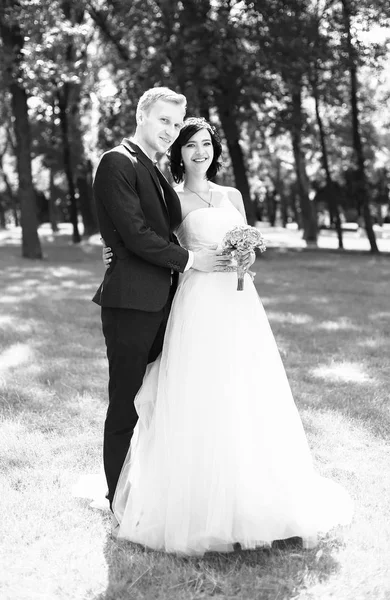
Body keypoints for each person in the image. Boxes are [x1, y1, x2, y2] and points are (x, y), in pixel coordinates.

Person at [101, 117, 353, 555]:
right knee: (201, 390)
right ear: (178, 152)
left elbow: (248, 242)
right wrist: (113, 251)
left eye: (207, 144)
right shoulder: (170, 200)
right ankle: (192, 496)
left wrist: (246, 250)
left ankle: (253, 491)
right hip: (196, 301)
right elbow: (149, 241)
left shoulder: (232, 194)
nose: (201, 152)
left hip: (240, 304)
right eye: (191, 145)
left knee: (247, 388)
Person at [91, 89, 238, 512]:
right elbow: (136, 234)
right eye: (164, 121)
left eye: (177, 124)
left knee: (160, 397)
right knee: (126, 402)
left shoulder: (153, 168)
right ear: (141, 116)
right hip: (132, 304)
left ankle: (153, 485)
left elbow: (158, 230)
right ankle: (117, 499)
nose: (170, 131)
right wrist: (193, 259)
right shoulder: (116, 160)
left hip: (169, 304)